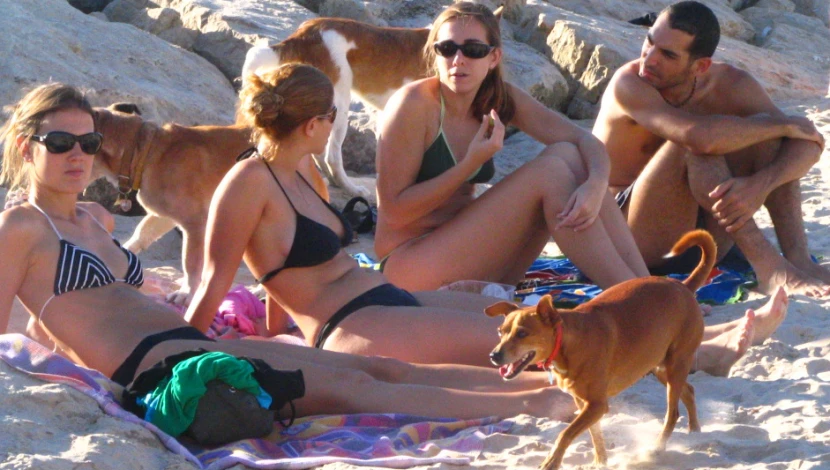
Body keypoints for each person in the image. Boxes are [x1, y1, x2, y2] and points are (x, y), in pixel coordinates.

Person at [0, 81, 584, 422]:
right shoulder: (20, 226)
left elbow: (73, 317)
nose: (78, 154)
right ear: (27, 148)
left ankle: (546, 390)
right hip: (165, 374)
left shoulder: (97, 218)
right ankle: (533, 407)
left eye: (89, 141)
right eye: (60, 143)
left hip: (196, 347)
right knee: (362, 389)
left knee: (380, 369)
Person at [184, 62, 784, 378]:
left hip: (383, 295)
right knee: (534, 354)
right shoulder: (244, 185)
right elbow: (215, 283)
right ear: (314, 123)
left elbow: (273, 276)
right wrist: (171, 356)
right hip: (350, 324)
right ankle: (703, 353)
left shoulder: (305, 174)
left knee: (538, 325)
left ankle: (691, 332)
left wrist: (269, 329)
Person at [374, 1, 649, 293]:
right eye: (447, 48)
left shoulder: (498, 98)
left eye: (473, 50)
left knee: (567, 155)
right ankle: (634, 297)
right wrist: (469, 164)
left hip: (473, 255)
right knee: (551, 173)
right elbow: (394, 212)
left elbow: (584, 141)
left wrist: (595, 185)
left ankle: (649, 287)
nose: (458, 59)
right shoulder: (414, 105)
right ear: (435, 53)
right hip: (409, 265)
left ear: (494, 57)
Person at [593, 1, 828, 297]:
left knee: (766, 140)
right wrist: (781, 125)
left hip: (706, 234)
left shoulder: (731, 84)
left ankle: (798, 259)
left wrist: (759, 184)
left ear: (700, 66)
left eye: (667, 55)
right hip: (627, 237)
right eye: (649, 42)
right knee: (695, 144)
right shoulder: (629, 84)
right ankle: (769, 266)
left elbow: (809, 143)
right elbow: (698, 138)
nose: (649, 59)